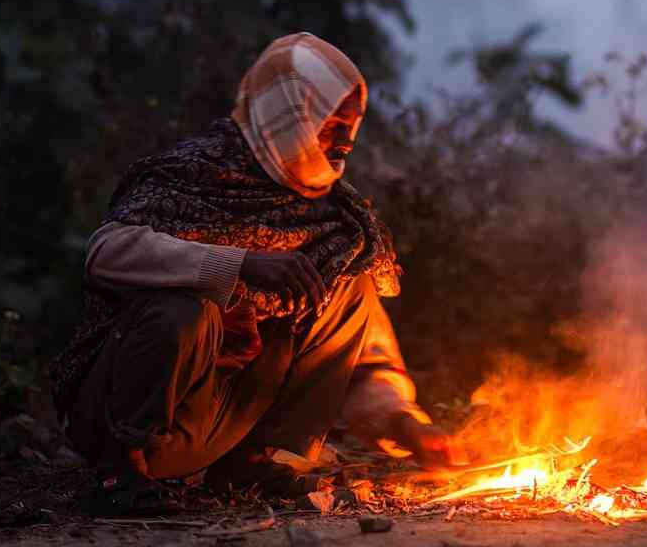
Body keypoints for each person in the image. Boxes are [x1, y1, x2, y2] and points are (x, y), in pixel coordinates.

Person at [49, 33, 459, 514]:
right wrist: (237, 265)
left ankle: (253, 462)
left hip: (220, 424)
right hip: (121, 418)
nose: (346, 140)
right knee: (182, 306)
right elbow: (106, 252)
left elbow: (362, 348)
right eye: (332, 124)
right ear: (289, 113)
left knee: (348, 279)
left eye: (353, 125)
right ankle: (121, 472)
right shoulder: (192, 173)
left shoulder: (332, 218)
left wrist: (404, 422)